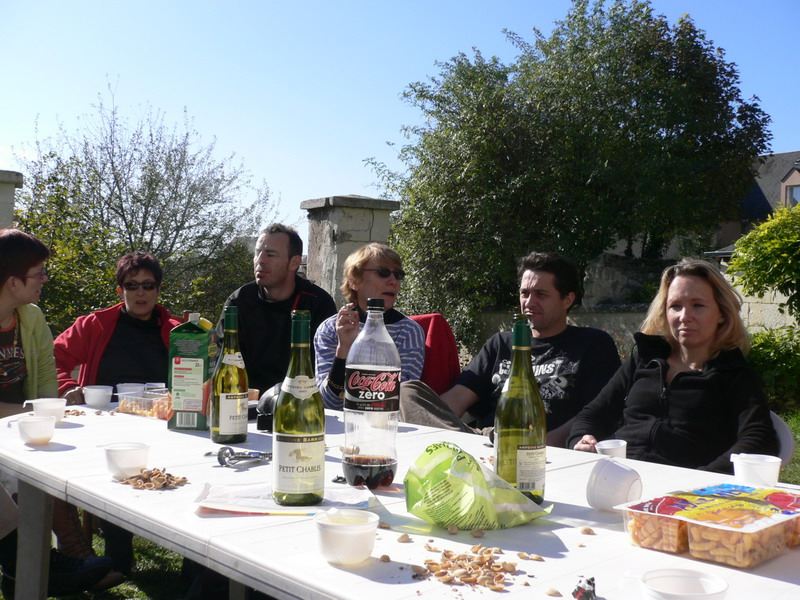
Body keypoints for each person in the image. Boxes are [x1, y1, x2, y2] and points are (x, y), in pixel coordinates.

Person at [567, 258, 778, 473]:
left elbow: (759, 439)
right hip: (619, 475)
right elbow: (593, 414)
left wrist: (704, 479)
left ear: (721, 313)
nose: (684, 317)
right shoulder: (644, 360)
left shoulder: (734, 374)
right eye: (675, 306)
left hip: (685, 487)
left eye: (698, 305)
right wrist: (583, 438)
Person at [400, 251, 621, 448]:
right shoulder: (501, 343)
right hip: (485, 441)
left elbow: (596, 412)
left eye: (541, 294)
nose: (529, 302)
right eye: (525, 293)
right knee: (408, 392)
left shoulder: (592, 344)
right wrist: (426, 415)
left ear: (567, 300)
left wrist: (538, 447)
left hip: (540, 448)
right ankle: (454, 445)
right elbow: (455, 401)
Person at [0, 228, 115, 597]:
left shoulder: (30, 317)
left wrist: (51, 413)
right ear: (13, 281)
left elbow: (47, 378)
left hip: (20, 428)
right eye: (38, 274)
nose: (45, 280)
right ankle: (49, 565)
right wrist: (33, 413)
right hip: (13, 426)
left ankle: (56, 560)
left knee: (59, 454)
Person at [54, 251, 181, 575]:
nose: (140, 293)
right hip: (103, 428)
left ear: (158, 290)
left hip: (161, 426)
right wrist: (68, 386)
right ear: (119, 290)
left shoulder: (178, 331)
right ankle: (118, 551)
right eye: (132, 285)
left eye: (148, 285)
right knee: (114, 471)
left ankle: (194, 564)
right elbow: (52, 359)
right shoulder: (94, 325)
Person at [218, 224, 336, 396]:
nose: (260, 261)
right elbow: (224, 363)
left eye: (270, 255)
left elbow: (325, 367)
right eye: (257, 253)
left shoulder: (318, 303)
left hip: (300, 399)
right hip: (246, 401)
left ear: (294, 262)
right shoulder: (238, 301)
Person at [314, 243, 425, 409]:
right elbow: (327, 403)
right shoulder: (330, 329)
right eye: (383, 272)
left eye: (398, 275)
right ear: (354, 281)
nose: (393, 281)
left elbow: (400, 400)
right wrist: (343, 350)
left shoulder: (409, 331)